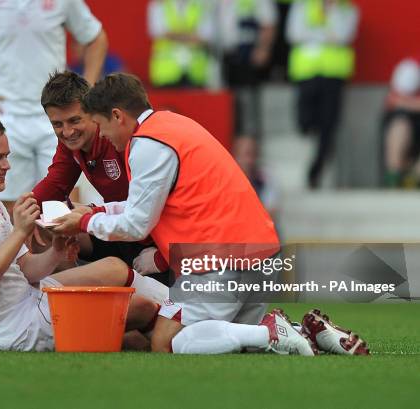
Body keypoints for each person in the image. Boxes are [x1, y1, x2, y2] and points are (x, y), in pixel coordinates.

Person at [54, 73, 368, 356]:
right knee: (240, 345)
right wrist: (96, 211)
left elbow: (137, 224)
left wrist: (84, 221)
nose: (103, 135)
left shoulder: (146, 144)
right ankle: (308, 333)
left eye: (101, 125)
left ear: (118, 116)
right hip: (258, 252)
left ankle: (269, 330)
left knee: (168, 342)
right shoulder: (172, 126)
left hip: (218, 260)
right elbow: (155, 205)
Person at [0, 113, 168, 351]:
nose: (7, 165)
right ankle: (187, 317)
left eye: (6, 156)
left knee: (114, 269)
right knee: (140, 310)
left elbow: (26, 269)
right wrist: (19, 233)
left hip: (29, 301)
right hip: (15, 329)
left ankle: (183, 315)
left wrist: (56, 250)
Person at [0, 0, 108, 213]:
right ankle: (19, 247)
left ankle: (62, 247)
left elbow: (96, 38)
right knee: (9, 206)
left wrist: (86, 91)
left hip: (53, 118)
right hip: (5, 115)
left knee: (63, 207)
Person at [33, 71, 168, 280]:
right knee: (42, 223)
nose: (67, 132)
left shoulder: (129, 139)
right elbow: (52, 186)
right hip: (125, 230)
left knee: (158, 308)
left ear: (92, 113)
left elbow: (166, 204)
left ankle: (39, 299)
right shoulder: (71, 144)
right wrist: (16, 225)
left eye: (74, 120)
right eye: (57, 124)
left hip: (157, 242)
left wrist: (163, 257)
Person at [286, 0, 359, 188]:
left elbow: (343, 36)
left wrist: (317, 30)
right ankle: (312, 151)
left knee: (328, 125)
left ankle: (315, 171)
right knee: (305, 120)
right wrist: (326, 34)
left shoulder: (346, 10)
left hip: (333, 74)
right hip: (307, 72)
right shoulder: (302, 6)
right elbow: (294, 34)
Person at [216, 0, 277, 140]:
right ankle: (234, 140)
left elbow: (268, 23)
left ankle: (250, 143)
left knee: (248, 103)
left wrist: (263, 49)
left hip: (247, 55)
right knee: (227, 104)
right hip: (223, 56)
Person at [147, 0, 215, 88]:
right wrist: (191, 36)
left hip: (195, 73)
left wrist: (173, 35)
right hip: (166, 73)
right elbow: (158, 31)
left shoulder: (202, 4)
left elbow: (206, 36)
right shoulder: (160, 4)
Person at [383, 57, 420, 188]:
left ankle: (414, 179)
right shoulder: (411, 68)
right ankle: (393, 177)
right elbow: (394, 100)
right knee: (399, 125)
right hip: (410, 124)